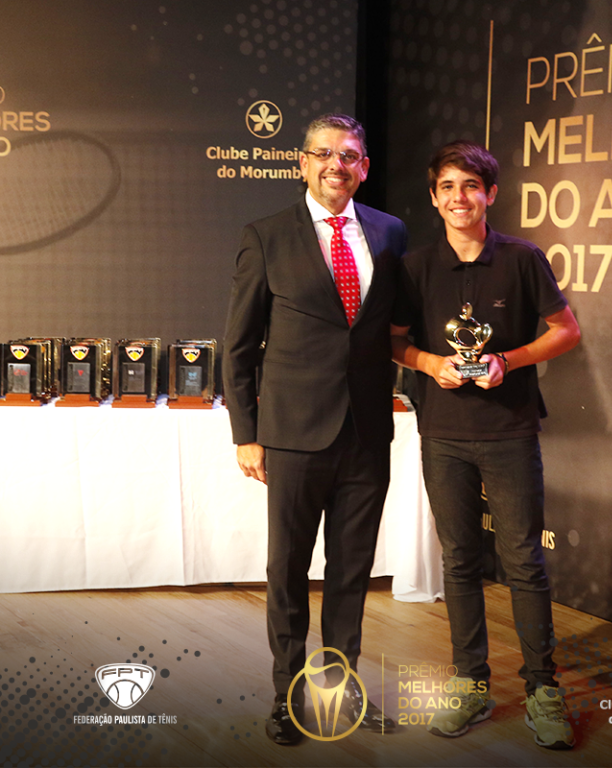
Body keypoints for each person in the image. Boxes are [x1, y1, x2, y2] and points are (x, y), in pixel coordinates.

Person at [223, 113, 407, 745]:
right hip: (293, 434)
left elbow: (394, 327)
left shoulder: (390, 232)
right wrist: (246, 434)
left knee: (352, 571)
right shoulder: (266, 235)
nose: (337, 165)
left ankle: (341, 687)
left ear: (364, 167)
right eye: (324, 154)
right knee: (288, 570)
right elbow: (238, 346)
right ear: (302, 163)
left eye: (349, 155)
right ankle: (287, 694)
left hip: (367, 435)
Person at [391, 140, 580, 748]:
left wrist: (508, 360)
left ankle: (542, 688)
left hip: (509, 431)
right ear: (434, 197)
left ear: (490, 194)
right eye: (447, 187)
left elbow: (566, 331)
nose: (459, 198)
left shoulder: (523, 258)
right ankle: (471, 684)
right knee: (459, 560)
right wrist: (429, 363)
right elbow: (394, 341)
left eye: (470, 186)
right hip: (443, 433)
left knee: (523, 560)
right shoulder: (415, 267)